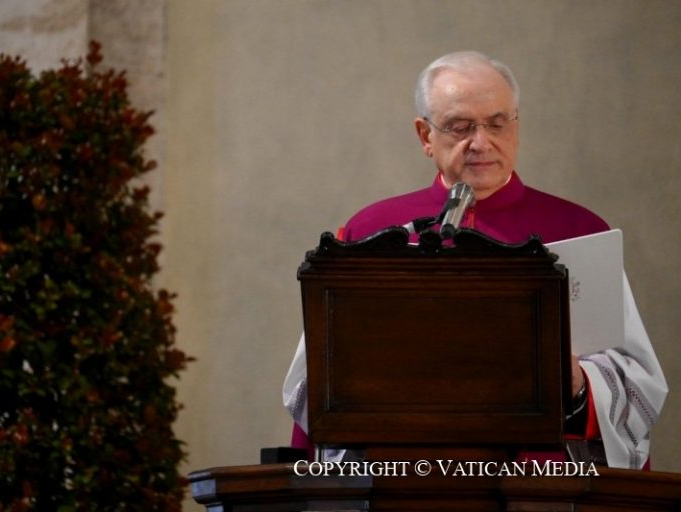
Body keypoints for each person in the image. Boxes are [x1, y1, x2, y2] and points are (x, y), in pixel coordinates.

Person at [283, 51, 667, 469]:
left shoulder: (579, 228)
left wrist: (577, 382)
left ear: (516, 126)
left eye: (497, 123)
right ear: (425, 135)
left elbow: (635, 380)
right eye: (460, 127)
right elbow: (317, 380)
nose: (481, 143)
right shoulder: (371, 232)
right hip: (402, 477)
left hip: (541, 480)